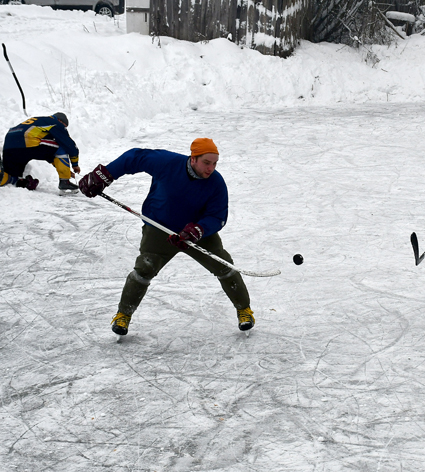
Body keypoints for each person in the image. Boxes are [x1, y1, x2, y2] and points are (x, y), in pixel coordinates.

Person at [78, 138, 255, 336]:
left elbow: (218, 216)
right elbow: (134, 157)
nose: (211, 168)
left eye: (215, 163)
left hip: (197, 233)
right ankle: (123, 316)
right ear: (193, 158)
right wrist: (104, 175)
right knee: (145, 268)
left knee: (223, 265)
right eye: (207, 162)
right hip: (159, 227)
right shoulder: (167, 163)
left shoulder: (216, 183)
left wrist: (199, 229)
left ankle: (244, 310)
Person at [1, 112, 80, 193]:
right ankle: (65, 181)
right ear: (59, 120)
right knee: (61, 147)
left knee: (12, 177)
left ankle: (10, 178)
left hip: (9, 145)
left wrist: (65, 169)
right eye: (64, 126)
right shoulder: (55, 123)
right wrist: (75, 165)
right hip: (27, 141)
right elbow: (69, 145)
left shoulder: (39, 120)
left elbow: (49, 154)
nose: (64, 128)